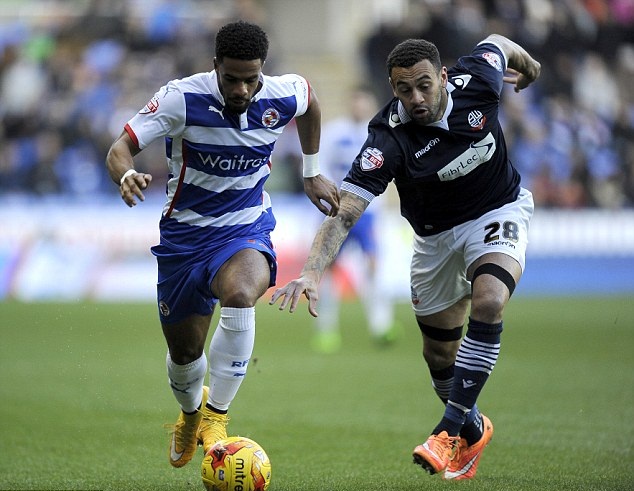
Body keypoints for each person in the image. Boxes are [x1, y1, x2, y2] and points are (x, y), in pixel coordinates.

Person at [271, 34, 540, 480]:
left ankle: (448, 431)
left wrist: (529, 66)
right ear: (392, 88)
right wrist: (313, 273)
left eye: (424, 86)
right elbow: (344, 214)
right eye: (403, 89)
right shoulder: (387, 139)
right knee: (439, 357)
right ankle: (473, 428)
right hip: (435, 241)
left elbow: (498, 42)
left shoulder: (480, 78)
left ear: (444, 78)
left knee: (490, 299)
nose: (415, 98)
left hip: (499, 210)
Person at [105, 20, 339, 469]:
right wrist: (126, 175)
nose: (242, 89)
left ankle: (216, 416)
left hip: (244, 227)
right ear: (215, 66)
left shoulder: (282, 92)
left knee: (241, 291)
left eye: (251, 79)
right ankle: (192, 414)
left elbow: (310, 104)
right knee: (184, 354)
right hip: (184, 238)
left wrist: (310, 170)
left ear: (262, 71)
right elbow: (120, 148)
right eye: (232, 79)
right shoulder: (181, 98)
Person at [311, 85, 399, 353]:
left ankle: (381, 327)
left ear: (370, 105)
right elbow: (319, 164)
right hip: (338, 212)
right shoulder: (335, 133)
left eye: (364, 103)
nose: (359, 107)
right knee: (328, 272)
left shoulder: (379, 134)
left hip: (368, 213)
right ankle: (326, 331)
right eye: (356, 102)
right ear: (351, 104)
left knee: (372, 268)